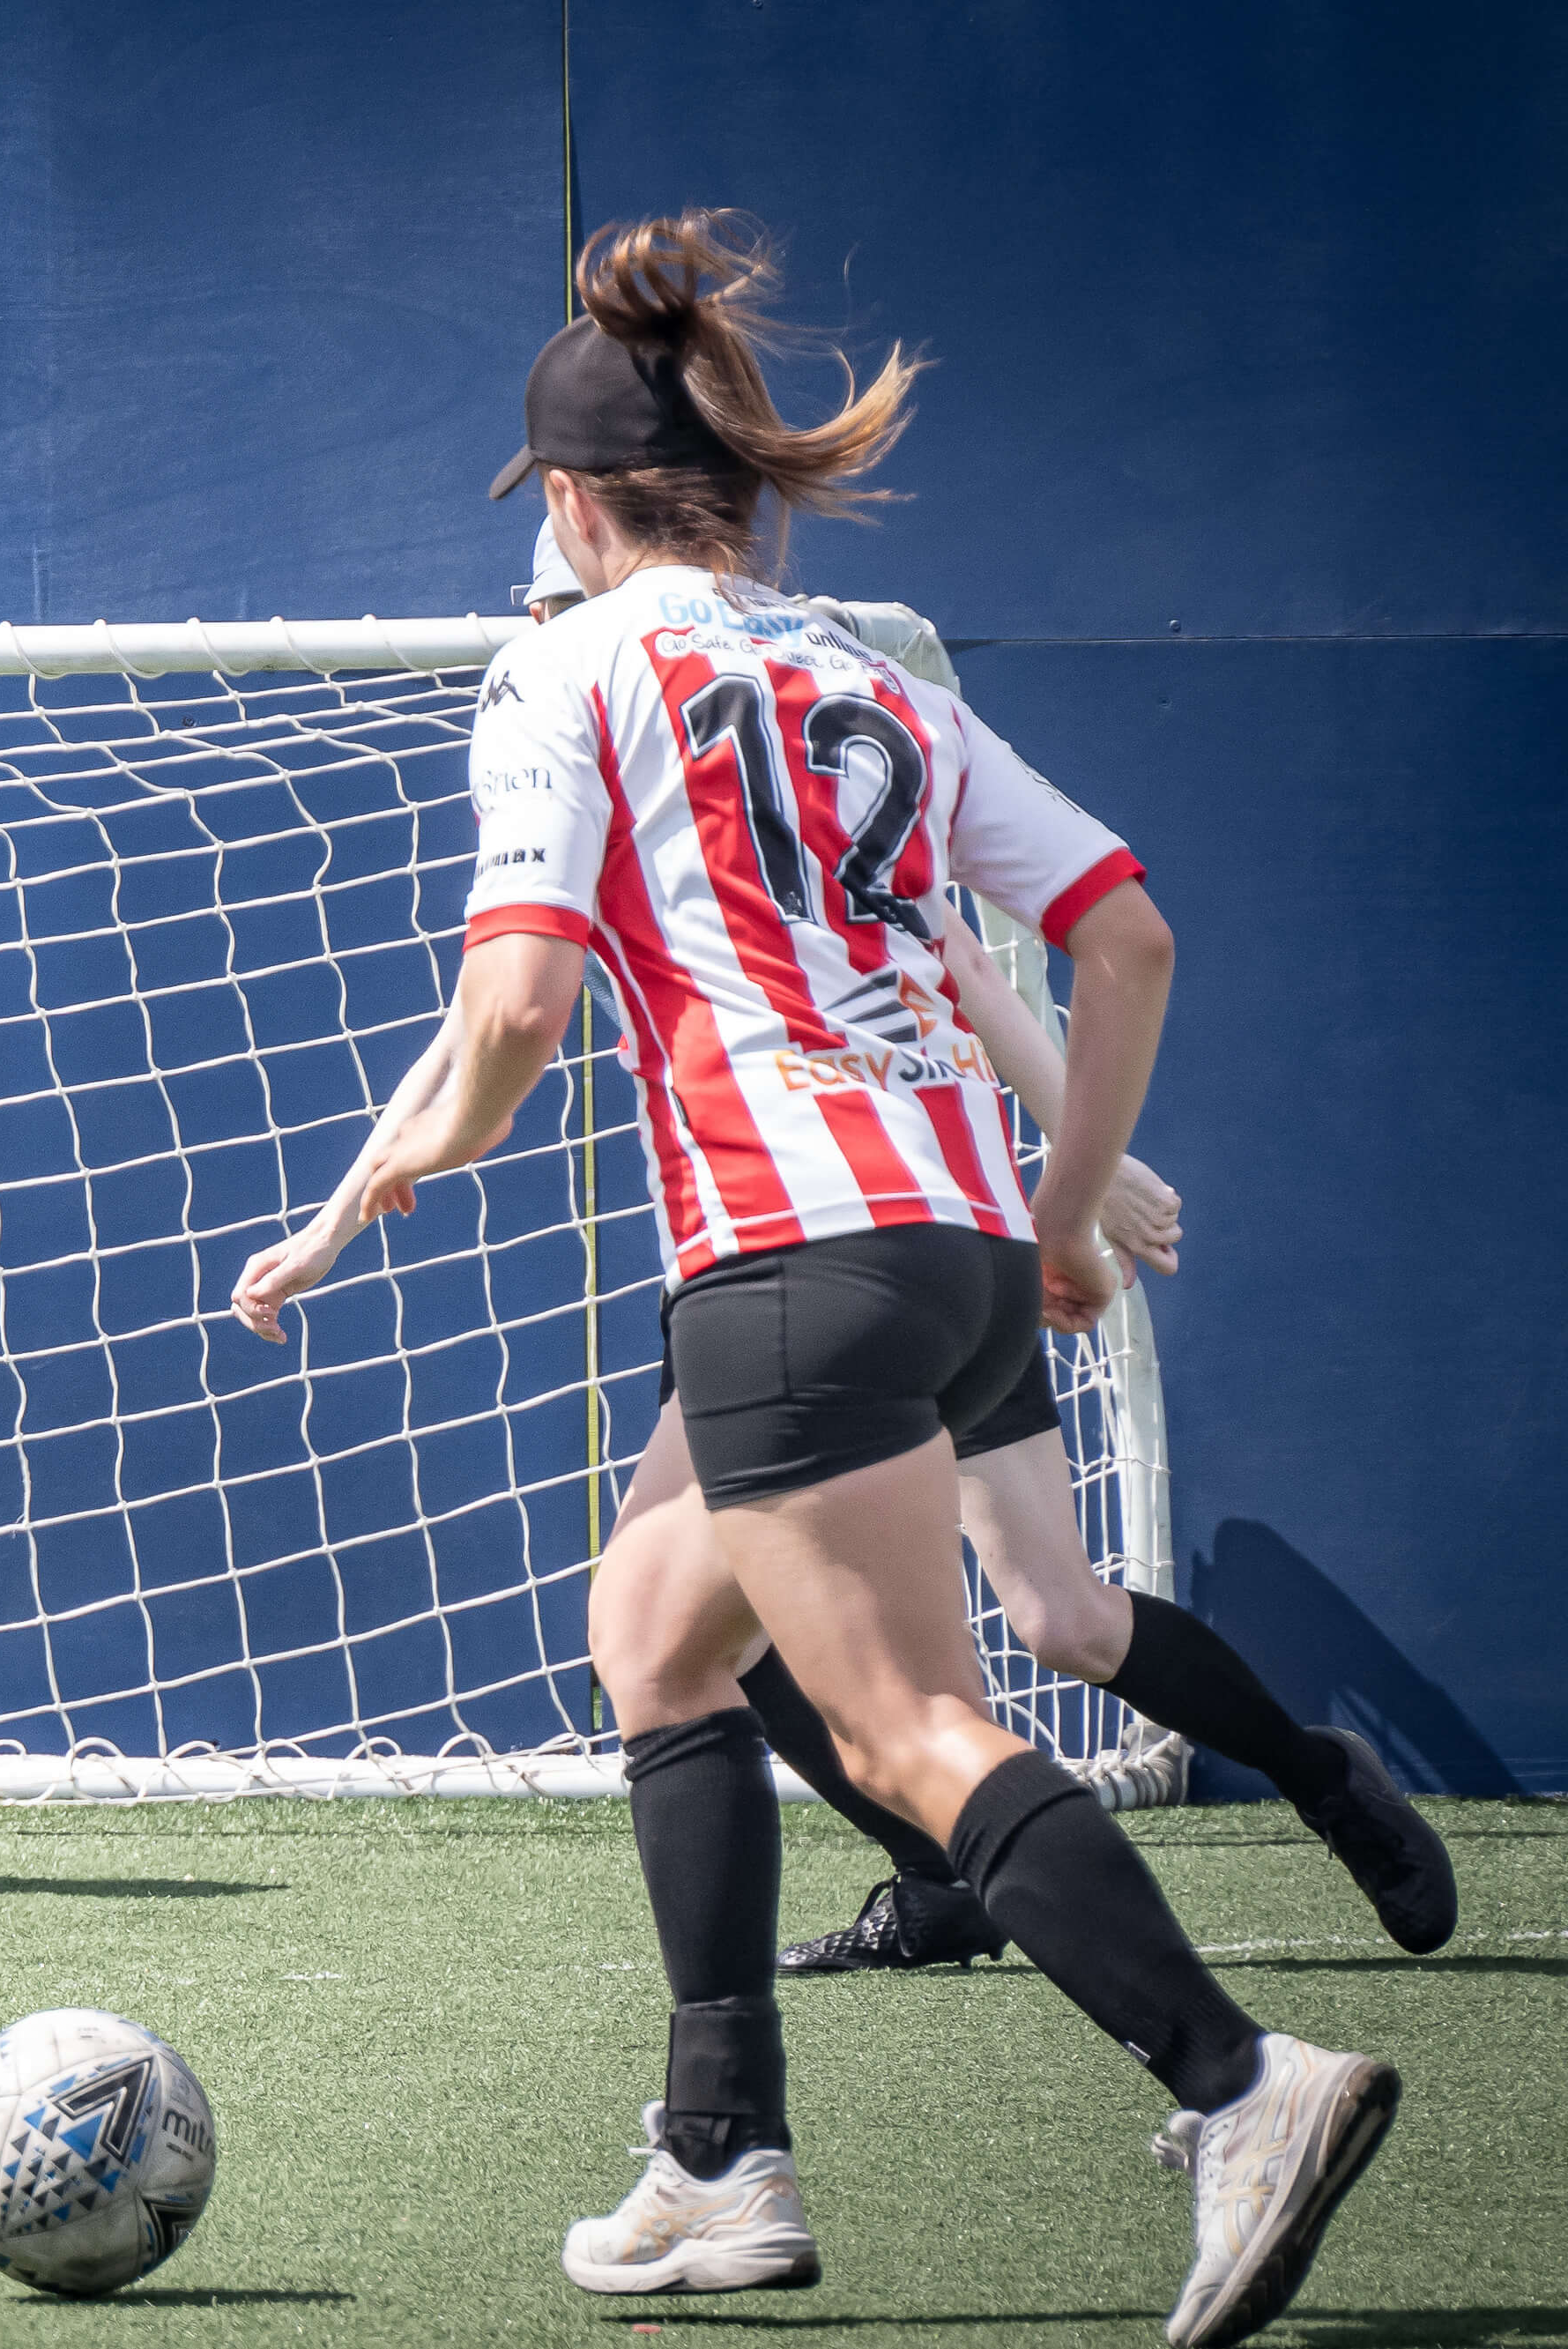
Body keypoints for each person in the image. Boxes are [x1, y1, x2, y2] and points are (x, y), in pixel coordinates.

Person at [264, 215, 1392, 2345]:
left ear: (576, 510)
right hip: (957, 1240)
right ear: (740, 496)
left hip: (784, 1253)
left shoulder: (562, 665)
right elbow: (1120, 930)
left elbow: (510, 1004)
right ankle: (715, 2158)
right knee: (652, 1634)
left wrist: (419, 1151)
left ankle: (1238, 2084)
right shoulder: (867, 672)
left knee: (904, 1725)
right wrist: (1060, 1218)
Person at [283, 526, 1455, 1980]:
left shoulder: (673, 708)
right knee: (710, 1614)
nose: (527, 618)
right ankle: (944, 1882)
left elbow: (971, 961)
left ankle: (1311, 1786)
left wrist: (1093, 1172)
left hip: (867, 1232)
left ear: (604, 555)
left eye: (545, 591)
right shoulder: (620, 763)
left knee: (1053, 1616)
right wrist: (335, 1219)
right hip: (834, 1252)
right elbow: (482, 1018)